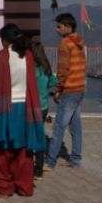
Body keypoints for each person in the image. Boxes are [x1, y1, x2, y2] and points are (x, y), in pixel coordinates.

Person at [0, 23, 45, 197]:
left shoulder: (0, 56)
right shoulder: (28, 56)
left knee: (1, 148)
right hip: (26, 105)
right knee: (24, 149)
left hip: (5, 106)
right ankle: (24, 186)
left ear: (4, 40)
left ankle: (4, 187)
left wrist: (0, 77)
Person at [44, 13, 87, 171]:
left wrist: (58, 90)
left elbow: (62, 70)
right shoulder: (80, 42)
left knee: (59, 127)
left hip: (69, 90)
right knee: (76, 127)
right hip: (79, 88)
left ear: (68, 27)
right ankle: (75, 159)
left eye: (59, 26)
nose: (57, 29)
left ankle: (50, 162)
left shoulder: (65, 43)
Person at [30, 41, 58, 179]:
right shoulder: (46, 68)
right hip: (44, 107)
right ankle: (39, 170)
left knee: (29, 137)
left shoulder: (30, 69)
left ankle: (29, 166)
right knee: (40, 137)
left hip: (31, 107)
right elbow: (54, 82)